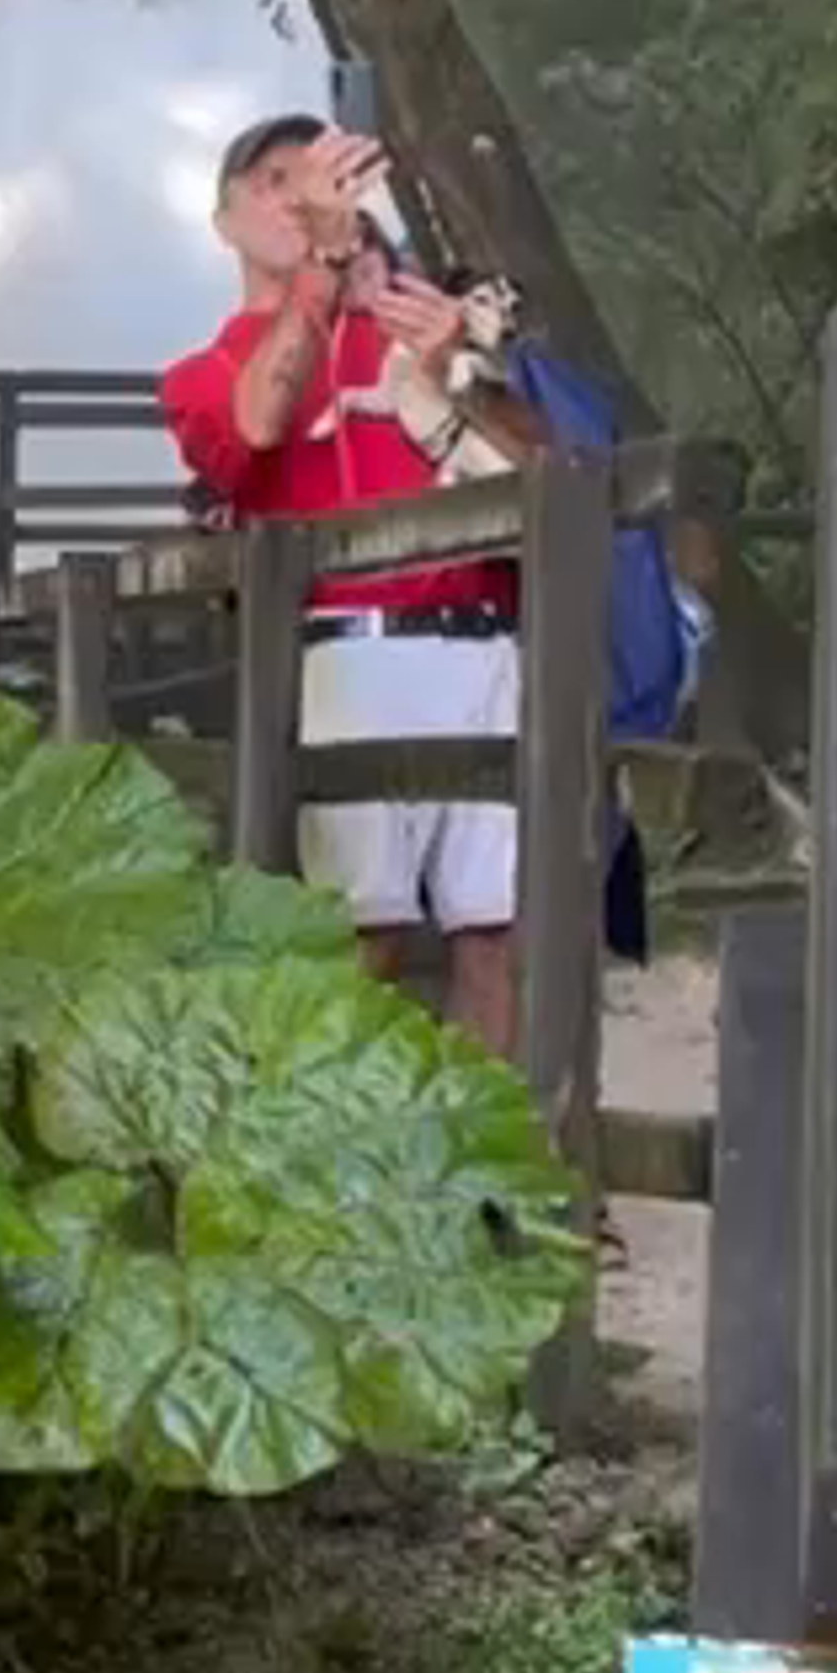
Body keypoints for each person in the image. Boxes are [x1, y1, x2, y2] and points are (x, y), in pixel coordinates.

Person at [160, 113, 533, 1050]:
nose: (299, 198)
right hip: (344, 661)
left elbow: (554, 478)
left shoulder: (417, 334)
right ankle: (338, 1161)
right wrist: (322, 274)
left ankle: (489, 1169)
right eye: (273, 181)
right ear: (223, 222)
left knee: (501, 933)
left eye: (316, 177)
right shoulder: (201, 371)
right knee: (362, 934)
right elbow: (256, 429)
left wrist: (460, 375)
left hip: (484, 648)